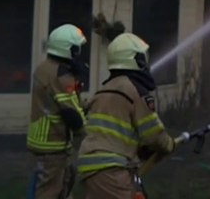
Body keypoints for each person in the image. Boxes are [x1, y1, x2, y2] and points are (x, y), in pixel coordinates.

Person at [76, 32, 178, 199]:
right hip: (110, 169)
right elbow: (153, 134)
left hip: (90, 166)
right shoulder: (135, 90)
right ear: (135, 59)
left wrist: (138, 150)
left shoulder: (103, 90)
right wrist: (169, 145)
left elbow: (116, 132)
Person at [27, 23, 89, 199]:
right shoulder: (61, 76)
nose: (79, 54)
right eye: (77, 49)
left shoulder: (43, 68)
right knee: (51, 191)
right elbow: (71, 114)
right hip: (53, 143)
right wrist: (89, 135)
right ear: (69, 50)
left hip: (40, 139)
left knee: (52, 186)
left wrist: (86, 104)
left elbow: (53, 102)